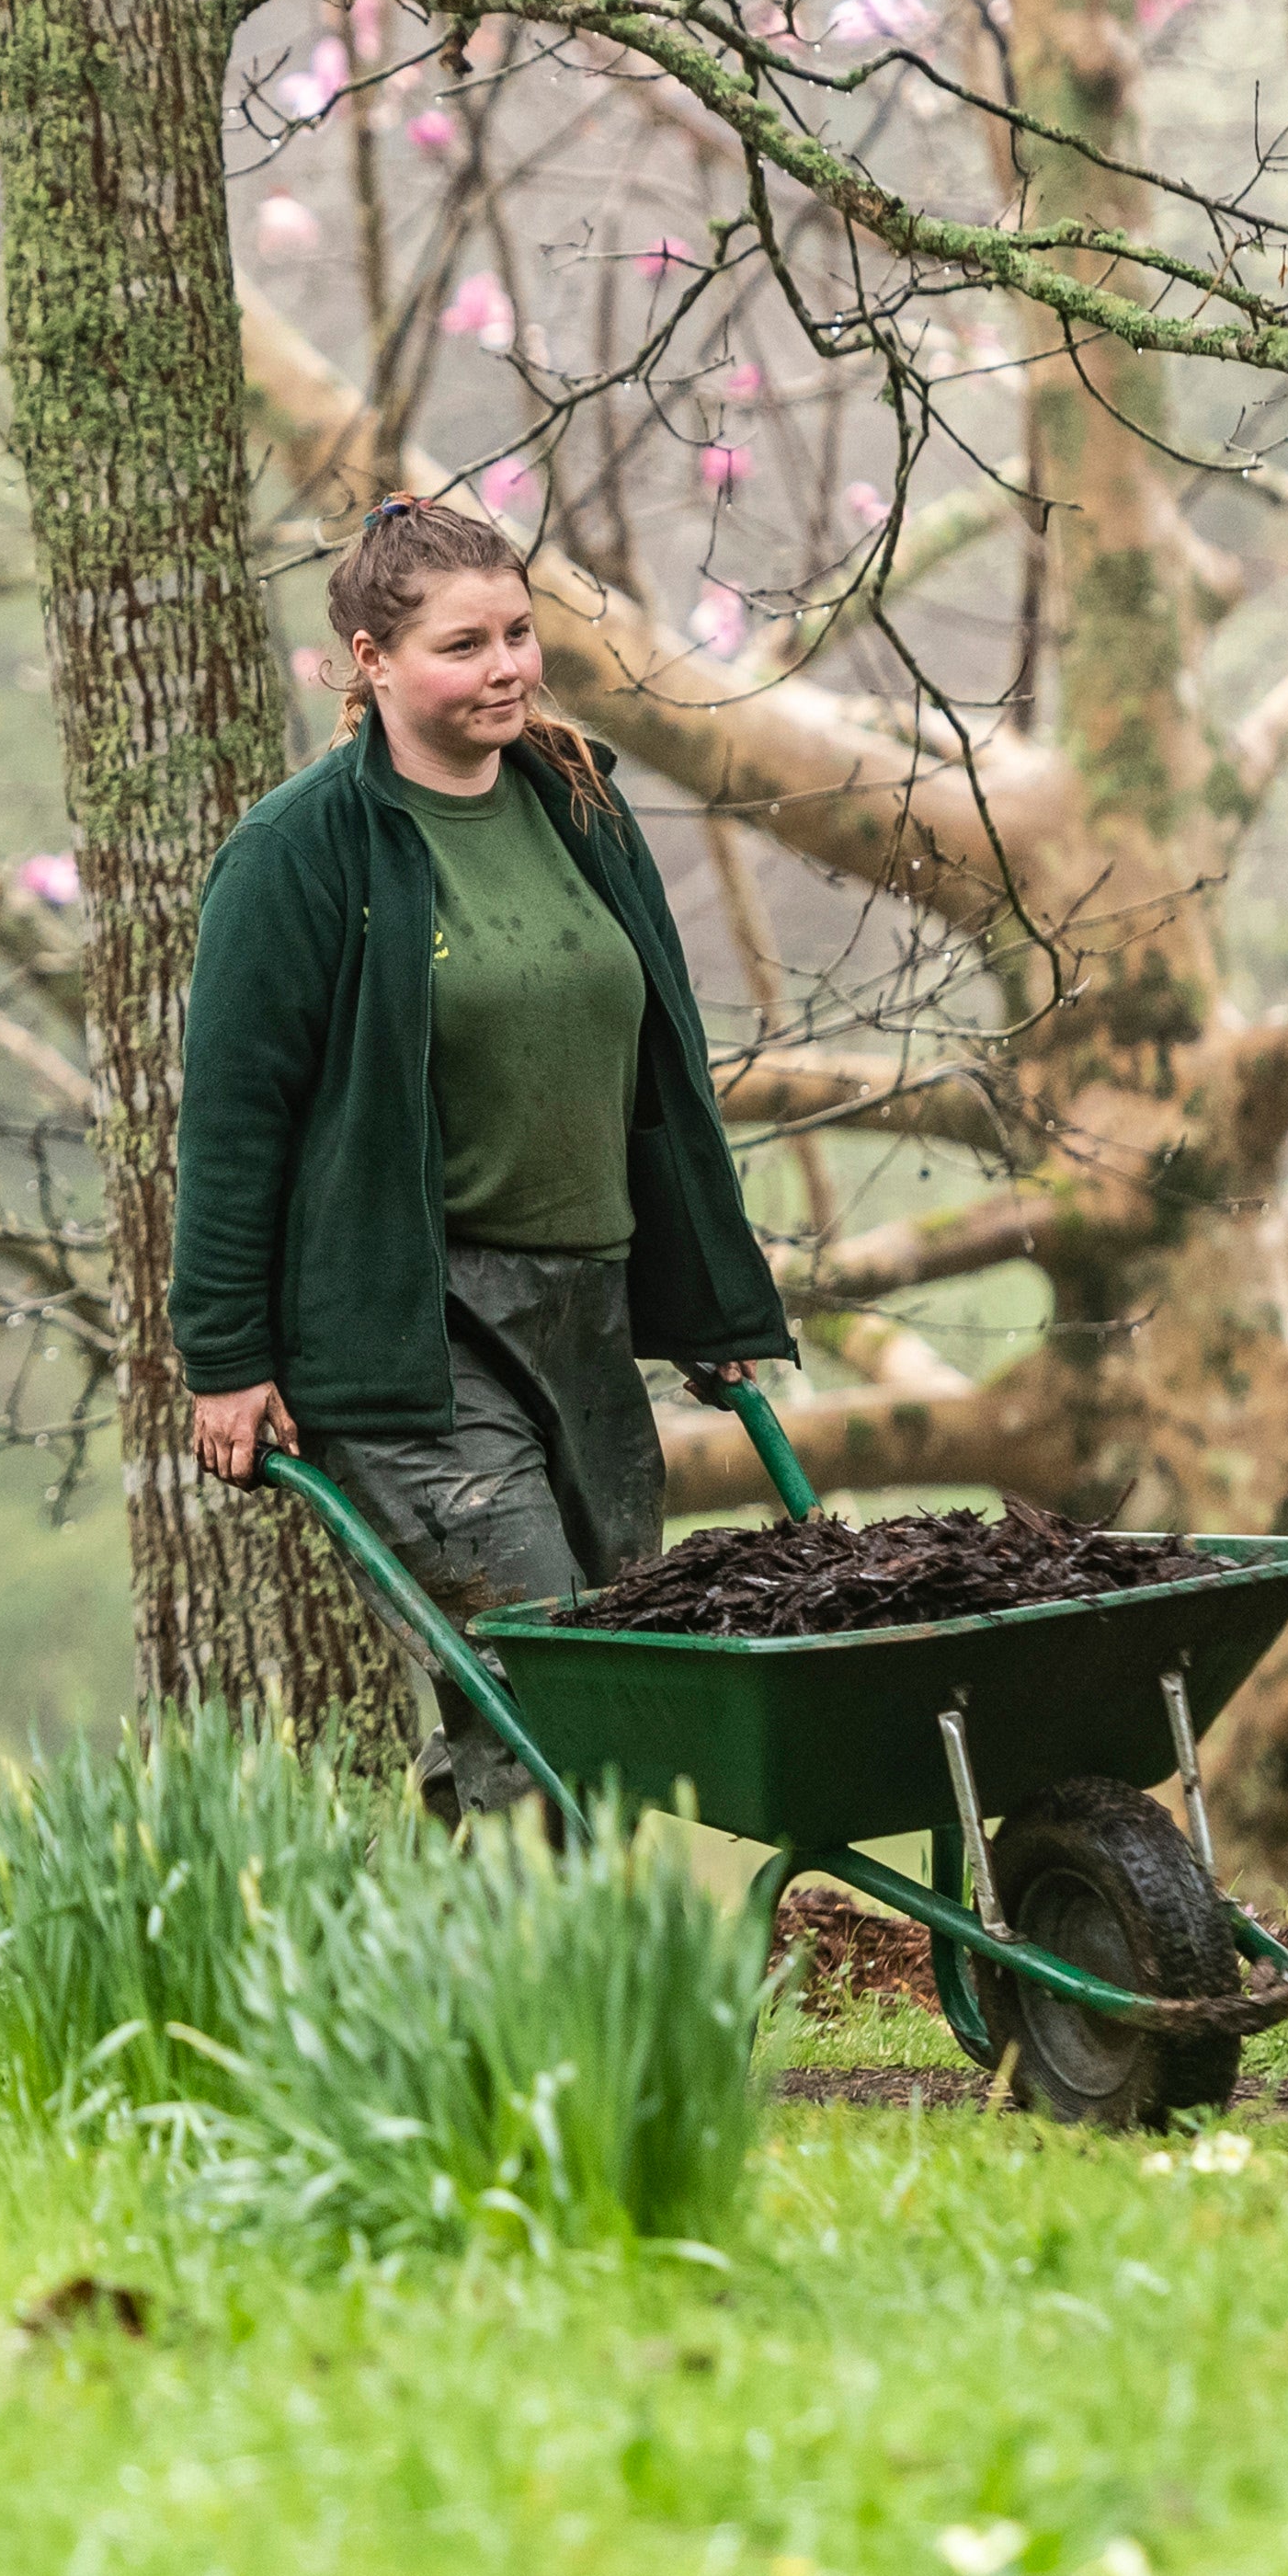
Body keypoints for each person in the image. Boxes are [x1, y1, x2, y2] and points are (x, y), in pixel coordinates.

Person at [172, 491, 802, 1818]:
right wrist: (225, 1357)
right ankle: (553, 1947)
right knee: (539, 1678)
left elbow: (662, 1074)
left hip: (587, 1308)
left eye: (519, 632)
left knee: (611, 1675)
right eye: (463, 645)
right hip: (415, 1330)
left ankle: (452, 1931)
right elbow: (233, 1118)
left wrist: (710, 1296)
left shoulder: (579, 805)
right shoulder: (299, 853)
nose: (509, 666)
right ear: (371, 660)